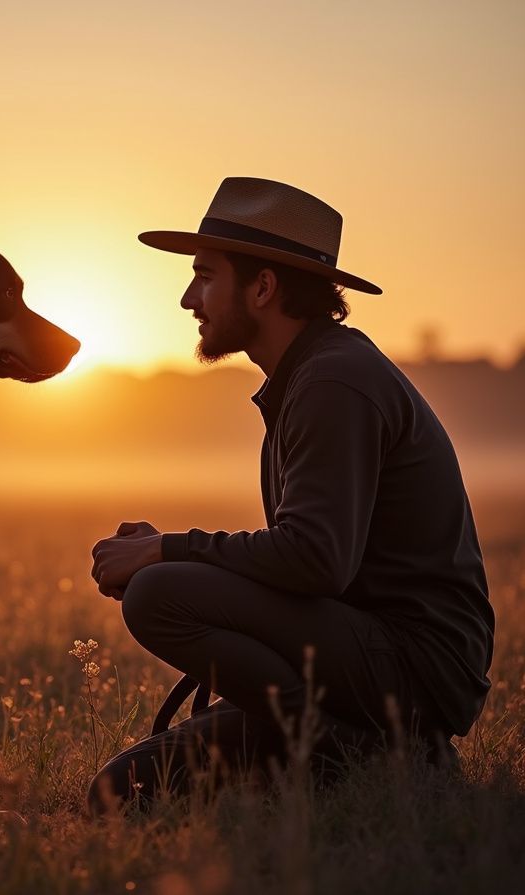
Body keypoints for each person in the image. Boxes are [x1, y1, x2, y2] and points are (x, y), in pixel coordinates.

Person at [87, 177, 494, 813]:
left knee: (157, 595)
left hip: (412, 669)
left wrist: (167, 553)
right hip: (359, 656)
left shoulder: (335, 379)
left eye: (204, 276)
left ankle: (375, 753)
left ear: (264, 287)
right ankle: (343, 747)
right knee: (122, 793)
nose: (188, 298)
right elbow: (309, 569)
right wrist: (171, 550)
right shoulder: (309, 376)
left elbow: (315, 560)